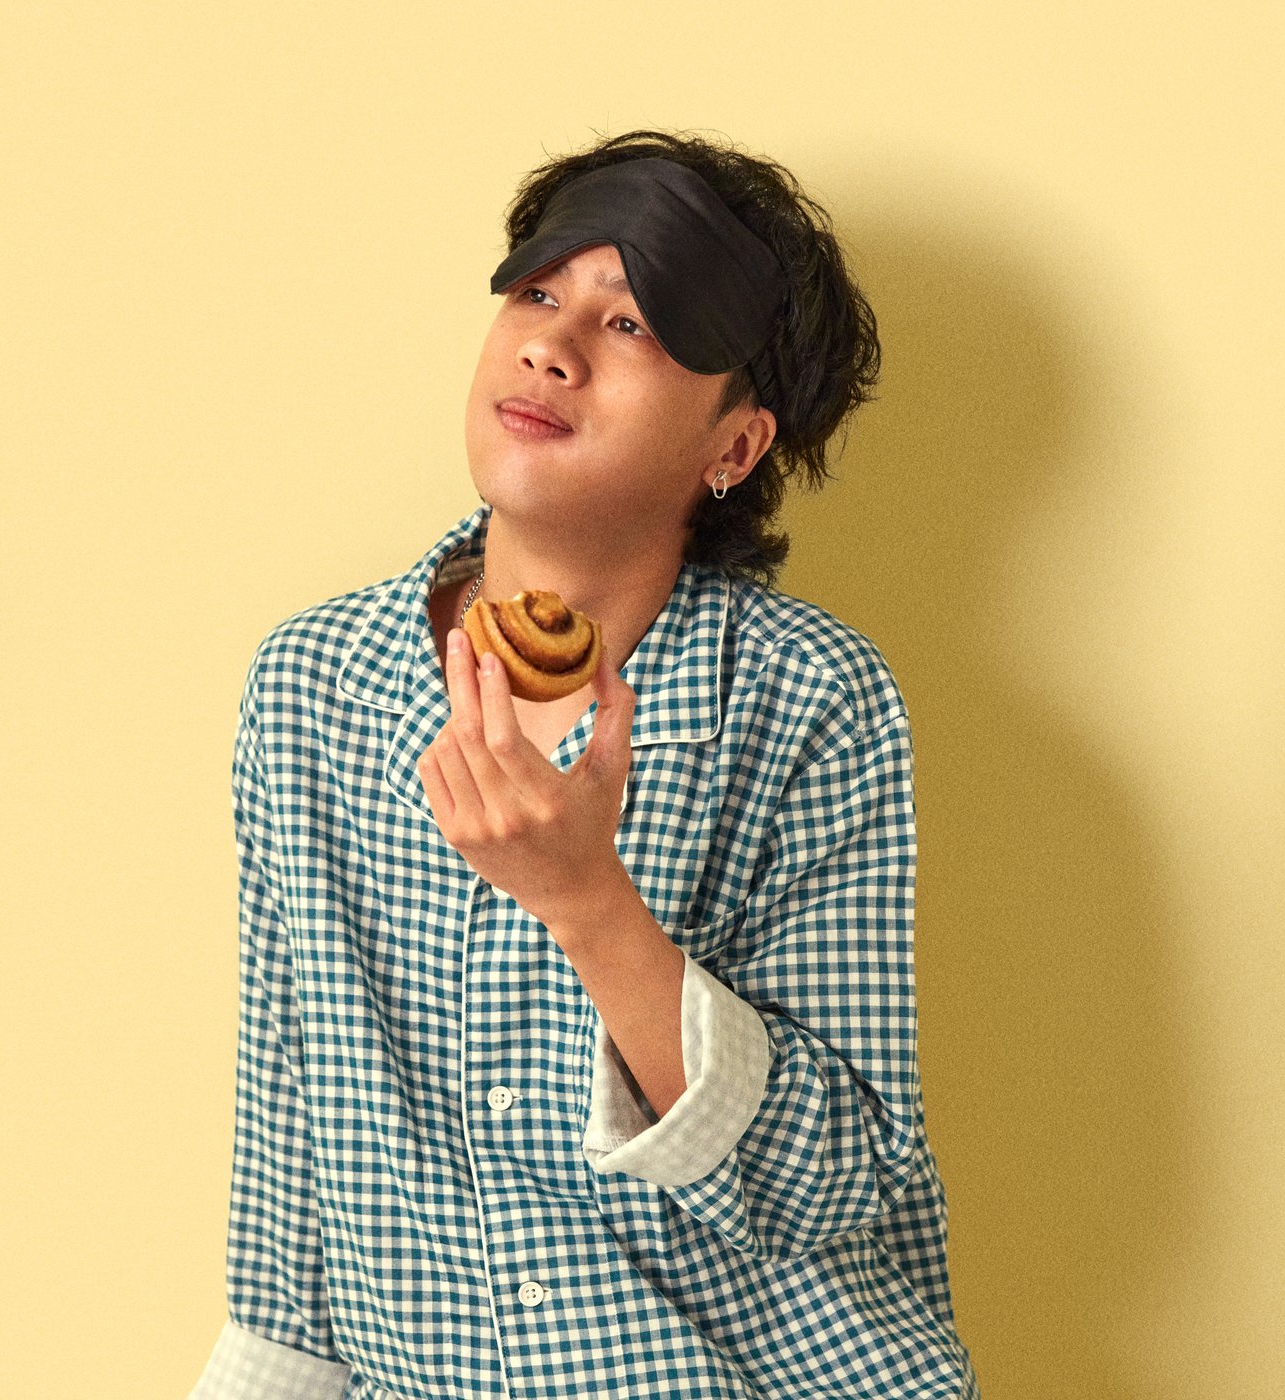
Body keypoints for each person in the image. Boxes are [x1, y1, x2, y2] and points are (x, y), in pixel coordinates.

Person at [190, 128, 982, 1399]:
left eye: (634, 327)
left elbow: (841, 1183)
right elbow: (295, 1189)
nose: (550, 345)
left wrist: (586, 901)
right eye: (538, 293)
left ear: (734, 446)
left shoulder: (806, 699)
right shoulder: (313, 690)